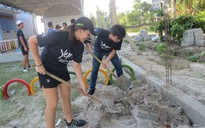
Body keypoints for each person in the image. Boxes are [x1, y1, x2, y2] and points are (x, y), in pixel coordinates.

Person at [28, 16, 97, 128]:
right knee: (53, 103)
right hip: (46, 70)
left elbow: (76, 64)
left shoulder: (79, 45)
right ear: (80, 30)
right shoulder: (57, 35)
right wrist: (38, 64)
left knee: (66, 96)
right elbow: (32, 40)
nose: (88, 37)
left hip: (61, 69)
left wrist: (82, 83)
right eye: (88, 34)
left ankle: (69, 123)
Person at [88, 24, 126, 95]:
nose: (119, 40)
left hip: (110, 51)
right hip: (98, 50)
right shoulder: (101, 32)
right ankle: (92, 89)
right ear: (113, 34)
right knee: (95, 69)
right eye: (118, 38)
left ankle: (122, 83)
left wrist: (107, 60)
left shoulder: (119, 40)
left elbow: (114, 51)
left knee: (118, 65)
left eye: (120, 38)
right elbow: (91, 31)